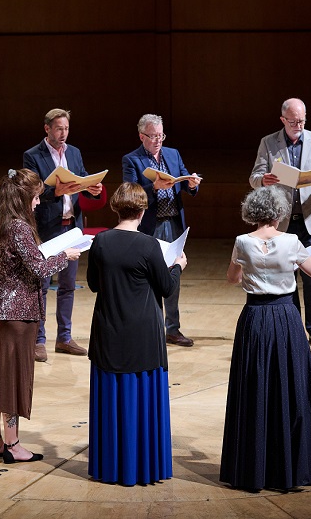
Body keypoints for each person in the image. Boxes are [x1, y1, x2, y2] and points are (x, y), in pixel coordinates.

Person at [221, 186, 311, 491]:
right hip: (285, 318)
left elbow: (233, 278)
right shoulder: (293, 242)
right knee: (291, 385)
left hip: (254, 318)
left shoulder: (242, 242)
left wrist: (252, 271)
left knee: (254, 386)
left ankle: (254, 467)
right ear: (279, 213)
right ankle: (291, 466)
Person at [86, 182, 186, 485]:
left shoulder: (100, 242)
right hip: (142, 334)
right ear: (142, 211)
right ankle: (142, 466)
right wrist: (178, 265)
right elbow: (166, 288)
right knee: (141, 405)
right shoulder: (149, 245)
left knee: (111, 404)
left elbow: (93, 284)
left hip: (109, 331)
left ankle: (110, 466)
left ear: (116, 207)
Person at [0, 169, 81, 463]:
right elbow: (39, 269)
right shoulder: (20, 227)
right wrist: (66, 256)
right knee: (12, 380)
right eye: (36, 198)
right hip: (17, 315)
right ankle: (12, 446)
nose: (38, 203)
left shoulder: (0, 223)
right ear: (25, 198)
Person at [249, 98, 311, 349]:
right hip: (282, 221)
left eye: (302, 120)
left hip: (310, 220)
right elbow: (254, 176)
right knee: (286, 278)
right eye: (293, 121)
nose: (298, 125)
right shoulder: (268, 142)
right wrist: (263, 180)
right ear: (282, 120)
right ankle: (293, 328)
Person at [23, 108, 103, 362]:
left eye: (66, 128)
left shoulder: (74, 153)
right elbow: (29, 190)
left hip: (72, 226)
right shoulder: (32, 155)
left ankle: (64, 338)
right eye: (59, 128)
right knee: (43, 285)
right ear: (47, 128)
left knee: (68, 285)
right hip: (47, 227)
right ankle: (38, 339)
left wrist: (93, 189)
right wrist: (53, 192)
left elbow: (81, 182)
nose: (63, 133)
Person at [122, 114, 201, 347]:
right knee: (148, 277)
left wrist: (191, 184)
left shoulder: (173, 154)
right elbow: (129, 193)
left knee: (174, 274)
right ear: (141, 136)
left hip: (173, 222)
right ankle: (149, 326)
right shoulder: (132, 159)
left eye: (161, 135)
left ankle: (172, 329)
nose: (158, 140)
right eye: (153, 136)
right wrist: (153, 187)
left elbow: (184, 178)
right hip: (150, 225)